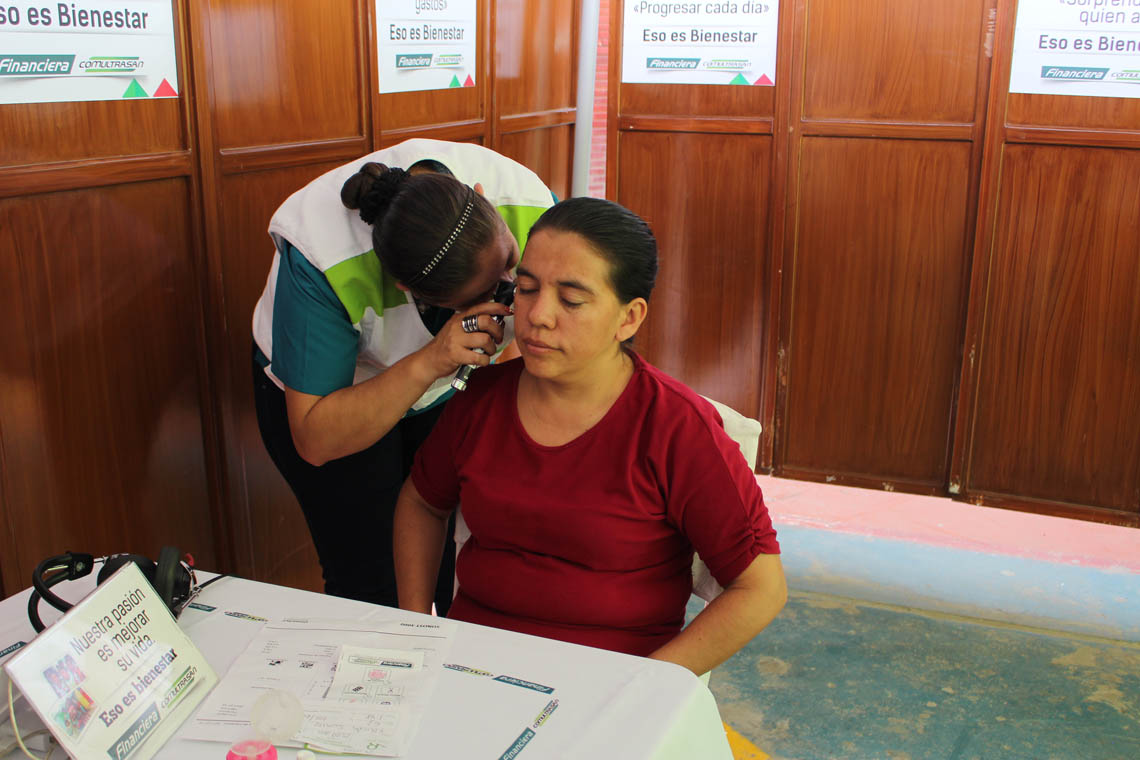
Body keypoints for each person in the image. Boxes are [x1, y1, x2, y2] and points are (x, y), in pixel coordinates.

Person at [393, 197, 786, 675]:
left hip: (609, 679)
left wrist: (648, 685)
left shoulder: (678, 428)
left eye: (572, 300)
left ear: (629, 317)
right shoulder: (480, 399)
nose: (537, 315)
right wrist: (417, 628)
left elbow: (761, 587)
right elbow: (422, 502)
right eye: (527, 289)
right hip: (472, 666)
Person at [251, 139, 555, 612]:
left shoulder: (527, 201)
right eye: (482, 296)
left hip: (442, 374)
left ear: (479, 195)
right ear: (407, 290)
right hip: (334, 398)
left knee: (441, 562)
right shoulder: (320, 255)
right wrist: (433, 358)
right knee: (371, 583)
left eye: (510, 266)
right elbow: (315, 437)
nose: (511, 291)